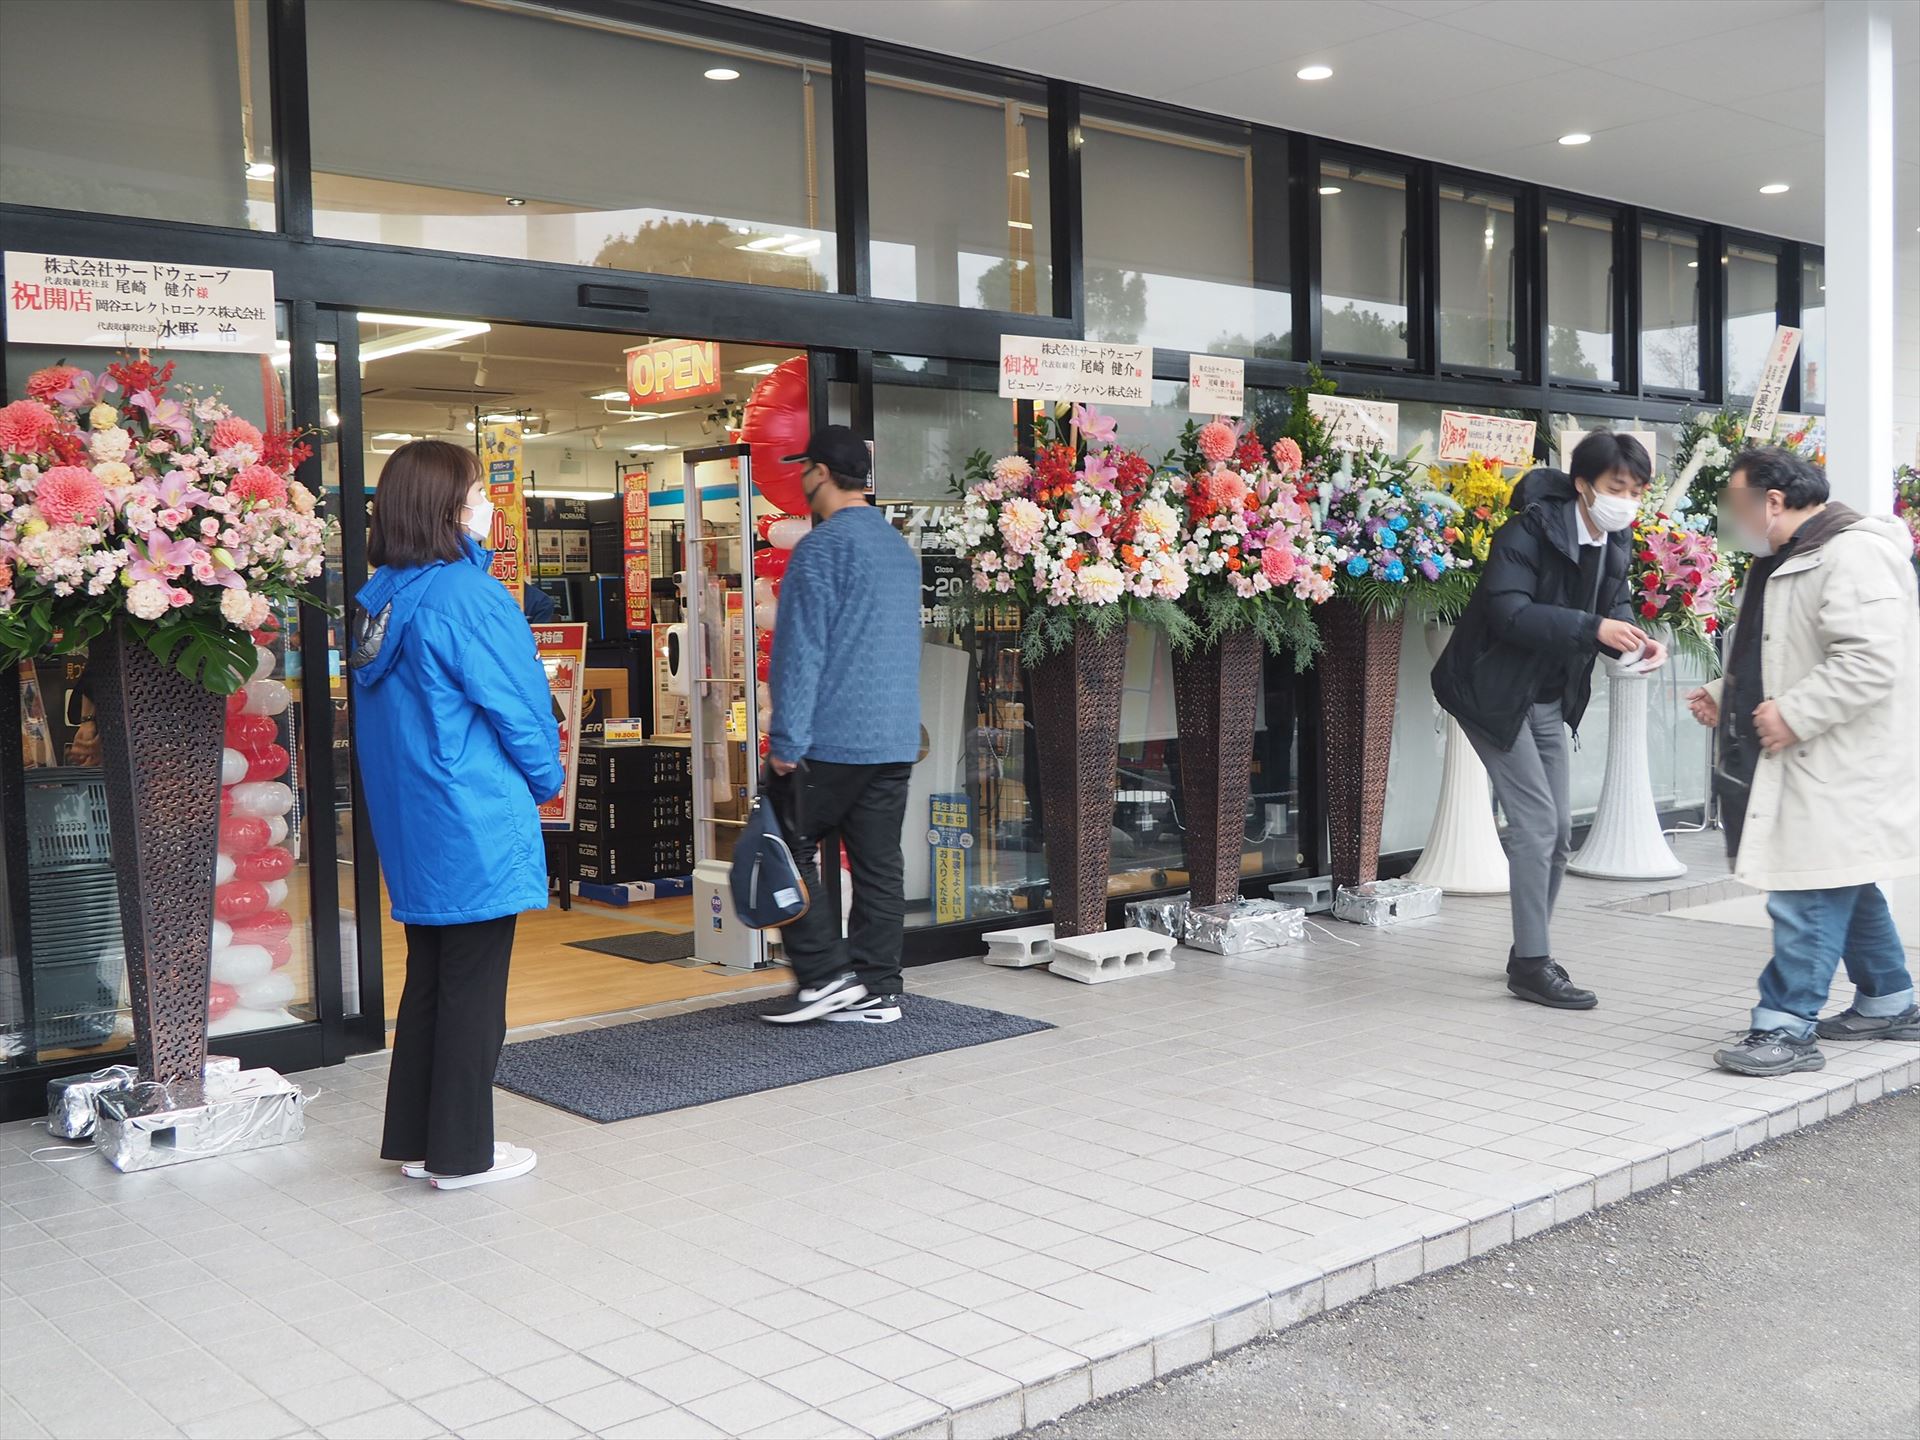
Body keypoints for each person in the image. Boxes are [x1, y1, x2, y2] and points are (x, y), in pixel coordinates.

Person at [350, 440, 563, 1188]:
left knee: (433, 980)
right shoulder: (469, 598)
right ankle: (464, 1153)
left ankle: (419, 1139)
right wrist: (547, 779)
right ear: (450, 507)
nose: (489, 506)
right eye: (478, 492)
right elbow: (522, 707)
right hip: (472, 814)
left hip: (415, 822)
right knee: (475, 988)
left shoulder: (381, 596)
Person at [1686, 447, 1920, 1076]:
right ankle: (1892, 1000)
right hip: (1817, 753)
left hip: (1840, 757)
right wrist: (1722, 693)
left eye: (1735, 508)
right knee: (1843, 874)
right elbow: (1777, 648)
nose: (1730, 522)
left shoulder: (1854, 554)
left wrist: (1795, 712)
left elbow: (1871, 659)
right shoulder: (1790, 558)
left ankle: (1787, 1026)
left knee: (1807, 884)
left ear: (1771, 502)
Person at [1432, 432, 1666, 1008]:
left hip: (1547, 697)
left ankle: (1527, 952)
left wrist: (1633, 641)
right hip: (1490, 691)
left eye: (1636, 490)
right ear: (1583, 485)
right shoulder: (1528, 530)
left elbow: (1614, 605)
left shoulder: (1615, 536)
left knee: (1558, 832)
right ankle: (1533, 964)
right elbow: (1509, 613)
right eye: (1617, 488)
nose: (1627, 500)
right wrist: (1593, 631)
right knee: (1537, 826)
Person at [762, 425, 922, 1025]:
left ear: (821, 473)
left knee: (782, 838)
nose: (802, 479)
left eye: (805, 469)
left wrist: (786, 743)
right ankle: (879, 989)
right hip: (892, 736)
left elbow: (799, 654)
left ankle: (826, 975)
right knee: (879, 863)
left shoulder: (821, 550)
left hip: (833, 739)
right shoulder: (895, 547)